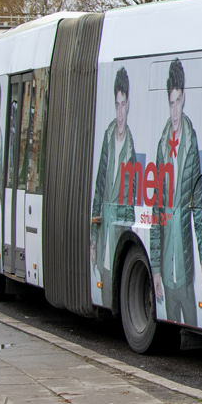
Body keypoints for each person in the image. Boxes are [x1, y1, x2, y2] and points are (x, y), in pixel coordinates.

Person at [149, 58, 202, 327]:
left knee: (194, 324)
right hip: (166, 271)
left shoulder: (191, 140)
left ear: (184, 97)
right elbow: (156, 212)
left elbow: (197, 206)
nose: (174, 111)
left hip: (185, 270)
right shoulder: (162, 145)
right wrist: (155, 268)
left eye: (178, 102)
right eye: (170, 103)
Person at [90, 67, 135, 301]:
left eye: (123, 104)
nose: (119, 112)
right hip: (104, 229)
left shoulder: (131, 149)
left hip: (119, 234)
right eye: (116, 105)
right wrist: (93, 238)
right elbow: (98, 188)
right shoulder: (107, 139)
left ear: (128, 105)